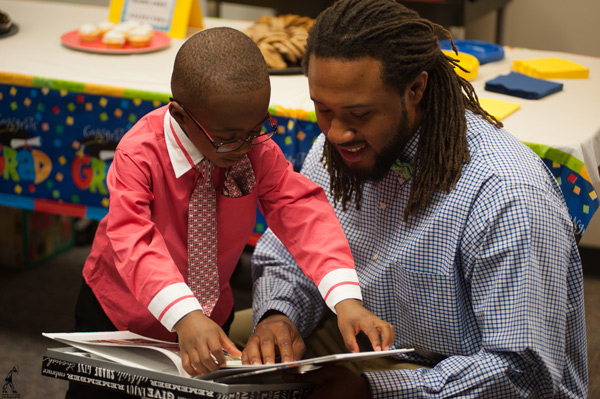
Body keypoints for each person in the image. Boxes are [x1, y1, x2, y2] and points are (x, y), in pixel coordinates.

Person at [243, 0, 588, 397]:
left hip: (460, 379)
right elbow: (290, 254)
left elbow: (522, 373)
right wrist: (278, 316)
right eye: (323, 110)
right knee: (215, 359)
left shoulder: (507, 195)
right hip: (359, 348)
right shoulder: (337, 150)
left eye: (359, 114)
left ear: (416, 88)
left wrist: (374, 391)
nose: (336, 133)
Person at [66, 27, 393, 398]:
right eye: (228, 136)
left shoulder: (253, 148)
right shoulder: (139, 153)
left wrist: (345, 300)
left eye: (257, 128)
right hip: (122, 315)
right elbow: (132, 239)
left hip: (210, 315)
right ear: (180, 115)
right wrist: (184, 315)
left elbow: (301, 211)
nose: (245, 146)